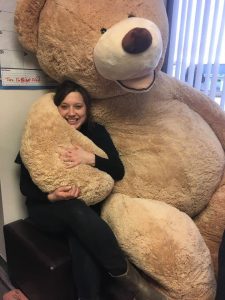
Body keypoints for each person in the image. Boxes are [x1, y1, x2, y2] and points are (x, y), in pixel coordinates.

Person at [15, 80, 166, 300]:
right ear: (56, 108)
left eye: (78, 106)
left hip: (85, 211)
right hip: (47, 210)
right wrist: (52, 196)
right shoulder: (41, 131)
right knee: (74, 210)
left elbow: (118, 170)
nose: (71, 113)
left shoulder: (97, 132)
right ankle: (135, 286)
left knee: (81, 238)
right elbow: (25, 186)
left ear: (87, 109)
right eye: (64, 106)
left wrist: (90, 158)